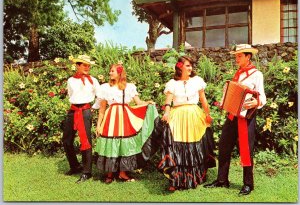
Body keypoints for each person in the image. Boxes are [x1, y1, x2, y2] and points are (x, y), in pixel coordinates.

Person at [204, 44, 267, 196]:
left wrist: (256, 102)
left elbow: (262, 96)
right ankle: (222, 180)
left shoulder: (257, 74)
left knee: (246, 150)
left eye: (239, 56)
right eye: (236, 56)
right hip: (232, 116)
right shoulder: (238, 73)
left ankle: (248, 184)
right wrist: (224, 101)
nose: (236, 58)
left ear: (248, 56)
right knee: (224, 146)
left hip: (246, 118)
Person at [95, 62, 160, 184]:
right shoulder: (104, 87)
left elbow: (138, 102)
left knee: (124, 145)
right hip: (111, 118)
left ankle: (122, 172)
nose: (110, 73)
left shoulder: (129, 87)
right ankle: (110, 173)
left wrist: (148, 103)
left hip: (125, 118)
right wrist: (99, 125)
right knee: (111, 143)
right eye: (110, 71)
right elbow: (102, 109)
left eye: (112, 71)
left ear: (119, 73)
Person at [158, 55, 216, 192]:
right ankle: (175, 179)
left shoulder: (197, 81)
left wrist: (207, 114)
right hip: (178, 115)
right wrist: (166, 112)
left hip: (194, 114)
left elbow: (203, 99)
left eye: (191, 65)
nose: (190, 68)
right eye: (187, 65)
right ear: (180, 67)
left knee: (194, 146)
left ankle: (195, 177)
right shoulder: (172, 83)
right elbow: (168, 101)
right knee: (178, 147)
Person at [62, 55, 101, 184]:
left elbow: (100, 96)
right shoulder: (70, 80)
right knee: (67, 140)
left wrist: (93, 108)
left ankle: (87, 171)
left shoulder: (93, 80)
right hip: (72, 111)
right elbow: (70, 95)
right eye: (84, 65)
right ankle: (75, 166)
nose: (87, 67)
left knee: (85, 140)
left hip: (84, 111)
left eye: (88, 65)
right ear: (77, 66)